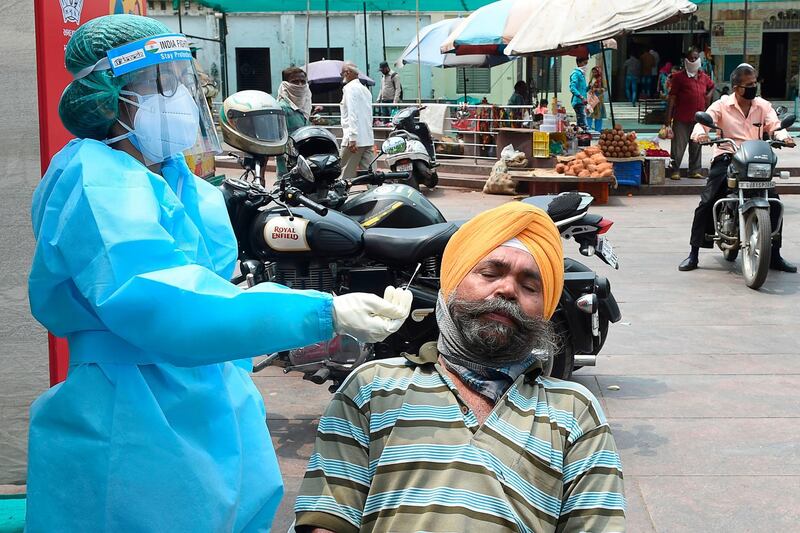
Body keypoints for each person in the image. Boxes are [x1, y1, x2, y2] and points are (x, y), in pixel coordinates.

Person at [26, 15, 413, 532]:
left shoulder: (175, 180)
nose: (183, 97)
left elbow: (216, 291)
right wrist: (322, 312)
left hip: (211, 401)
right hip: (131, 417)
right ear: (112, 97)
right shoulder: (96, 179)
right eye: (163, 84)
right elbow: (166, 302)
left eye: (185, 81)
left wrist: (290, 316)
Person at [294, 201, 627, 533]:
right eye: (489, 273)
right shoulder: (373, 388)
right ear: (450, 285)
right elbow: (327, 517)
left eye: (529, 286)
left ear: (545, 309)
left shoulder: (574, 412)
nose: (507, 289)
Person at [679, 63, 796, 273]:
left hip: (756, 158)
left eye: (755, 83)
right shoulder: (721, 105)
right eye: (749, 84)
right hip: (728, 155)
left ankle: (775, 255)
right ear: (736, 87)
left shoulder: (762, 105)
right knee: (707, 201)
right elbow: (703, 123)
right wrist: (701, 134)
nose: (754, 87)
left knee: (775, 203)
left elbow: (775, 126)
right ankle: (693, 253)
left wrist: (784, 137)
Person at [664, 47, 715, 180]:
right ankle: (674, 170)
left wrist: (708, 97)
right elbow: (672, 97)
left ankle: (695, 170)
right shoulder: (678, 77)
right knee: (678, 146)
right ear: (686, 60)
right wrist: (667, 120)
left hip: (698, 119)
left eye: (695, 58)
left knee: (696, 145)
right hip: (681, 117)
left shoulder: (704, 77)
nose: (693, 60)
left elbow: (712, 87)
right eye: (691, 58)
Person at [340, 61, 375, 179]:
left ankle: (340, 196)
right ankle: (376, 196)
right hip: (368, 139)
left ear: (348, 73)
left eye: (342, 73)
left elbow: (352, 113)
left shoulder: (349, 88)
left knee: (344, 175)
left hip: (354, 141)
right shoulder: (365, 90)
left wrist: (352, 138)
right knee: (371, 176)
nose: (342, 77)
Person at [276, 66, 312, 175]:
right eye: (295, 82)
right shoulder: (281, 108)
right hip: (288, 163)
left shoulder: (305, 106)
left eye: (303, 81)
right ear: (285, 84)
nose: (300, 85)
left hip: (305, 159)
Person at [569, 56, 589, 129]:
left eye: (587, 63)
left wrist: (589, 87)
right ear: (579, 63)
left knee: (581, 123)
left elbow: (583, 90)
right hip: (578, 102)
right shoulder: (576, 74)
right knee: (583, 123)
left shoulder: (581, 74)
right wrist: (581, 97)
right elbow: (572, 88)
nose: (586, 66)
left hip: (582, 102)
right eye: (585, 63)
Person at [589, 66, 606, 131]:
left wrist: (596, 89)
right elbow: (589, 87)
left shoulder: (601, 79)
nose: (594, 73)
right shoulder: (592, 79)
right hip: (591, 98)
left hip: (599, 99)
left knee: (598, 115)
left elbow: (605, 88)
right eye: (593, 72)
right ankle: (588, 129)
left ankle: (597, 130)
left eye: (595, 72)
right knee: (589, 114)